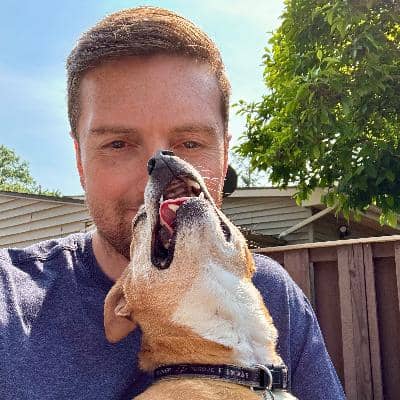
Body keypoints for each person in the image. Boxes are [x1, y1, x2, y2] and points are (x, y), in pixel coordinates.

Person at [0, 7, 345, 399]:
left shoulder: (270, 292)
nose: (159, 168)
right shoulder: (9, 302)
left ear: (224, 157)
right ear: (80, 162)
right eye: (118, 144)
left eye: (191, 143)